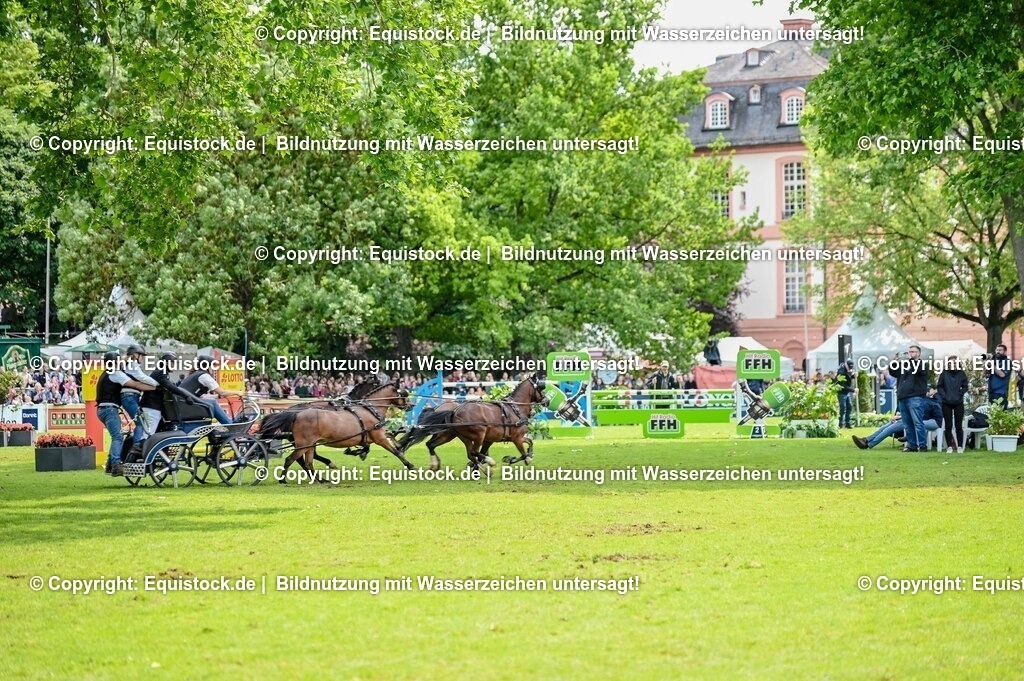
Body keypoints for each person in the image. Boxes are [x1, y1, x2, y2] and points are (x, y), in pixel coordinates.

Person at [95, 351, 156, 476]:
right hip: (110, 409)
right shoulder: (116, 373)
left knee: (116, 436)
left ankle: (110, 464)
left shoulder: (105, 373)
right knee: (118, 437)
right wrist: (156, 387)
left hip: (102, 410)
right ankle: (117, 464)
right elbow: (135, 384)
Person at [138, 353, 203, 440]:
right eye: (172, 362)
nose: (174, 365)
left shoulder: (161, 372)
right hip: (152, 406)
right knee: (148, 435)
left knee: (154, 432)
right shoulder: (161, 372)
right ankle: (140, 451)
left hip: (153, 406)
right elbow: (170, 387)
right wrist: (186, 396)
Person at [852, 394, 943, 449]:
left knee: (896, 425)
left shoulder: (929, 401)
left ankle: (869, 443)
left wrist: (900, 418)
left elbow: (919, 416)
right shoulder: (921, 401)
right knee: (890, 424)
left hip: (934, 422)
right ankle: (867, 440)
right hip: (921, 421)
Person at [888, 345, 929, 452]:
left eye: (913, 352)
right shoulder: (903, 365)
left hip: (915, 397)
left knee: (918, 423)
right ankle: (912, 445)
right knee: (907, 424)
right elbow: (893, 372)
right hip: (903, 397)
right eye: (909, 351)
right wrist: (894, 361)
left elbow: (918, 370)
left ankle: (922, 446)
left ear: (919, 354)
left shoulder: (921, 364)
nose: (910, 353)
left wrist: (910, 361)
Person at [178, 355, 237, 425]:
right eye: (212, 366)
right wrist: (238, 393)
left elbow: (201, 397)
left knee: (212, 400)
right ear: (207, 366)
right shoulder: (204, 376)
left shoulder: (196, 374)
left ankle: (228, 422)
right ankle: (230, 424)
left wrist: (217, 396)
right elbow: (222, 392)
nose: (214, 369)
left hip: (183, 404)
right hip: (186, 405)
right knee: (213, 402)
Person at [121, 344, 159, 449]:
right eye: (141, 355)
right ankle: (137, 446)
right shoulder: (132, 364)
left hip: (131, 397)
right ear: (136, 355)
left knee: (140, 421)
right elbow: (142, 377)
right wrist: (157, 383)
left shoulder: (128, 364)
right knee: (140, 422)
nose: (142, 358)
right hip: (130, 396)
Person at [936, 359, 969, 453]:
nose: (952, 365)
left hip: (958, 402)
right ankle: (949, 447)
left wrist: (960, 393)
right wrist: (944, 395)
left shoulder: (961, 374)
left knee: (959, 426)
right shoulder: (944, 374)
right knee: (948, 425)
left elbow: (965, 386)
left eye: (954, 363)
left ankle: (959, 446)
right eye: (950, 363)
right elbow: (939, 386)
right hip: (946, 402)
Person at [835, 359, 857, 429]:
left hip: (847, 392)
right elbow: (843, 386)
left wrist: (853, 376)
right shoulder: (841, 371)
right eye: (849, 367)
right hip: (842, 392)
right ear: (846, 364)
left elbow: (848, 377)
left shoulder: (848, 370)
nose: (850, 369)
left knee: (849, 407)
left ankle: (848, 423)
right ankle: (841, 424)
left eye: (851, 368)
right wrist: (853, 390)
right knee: (843, 408)